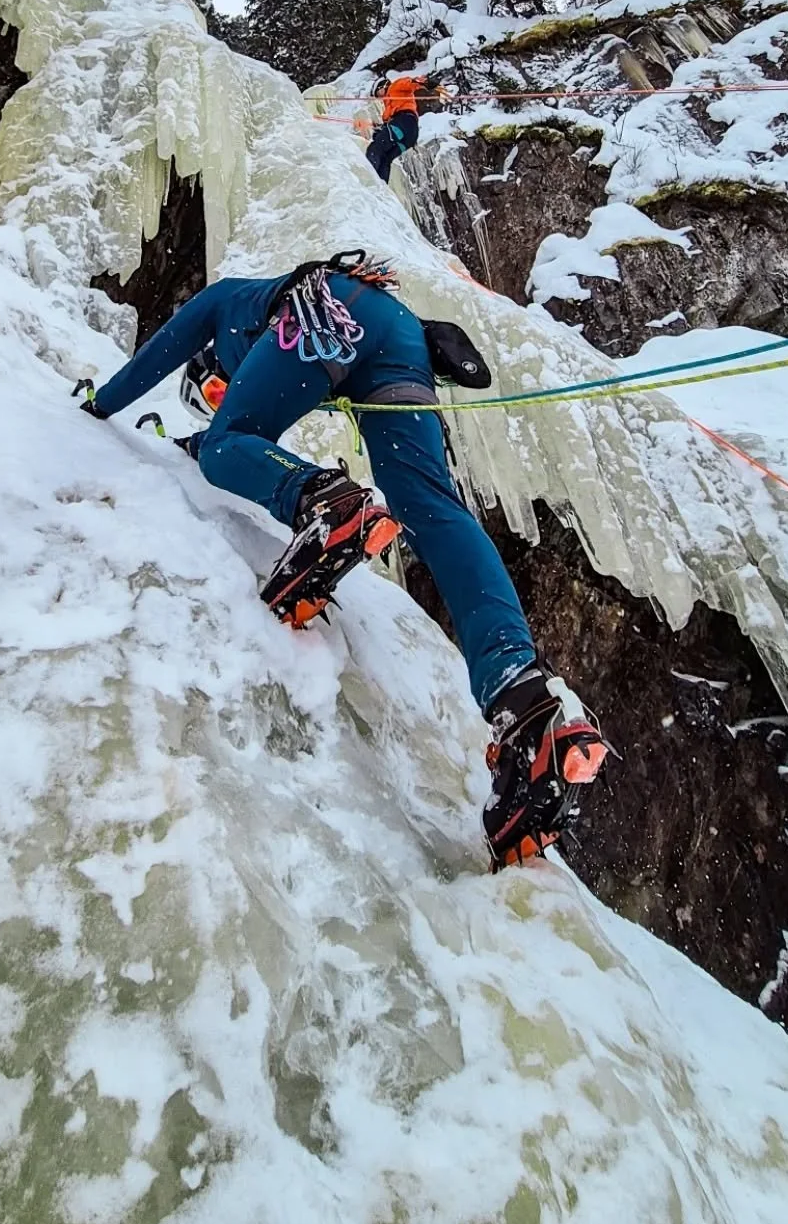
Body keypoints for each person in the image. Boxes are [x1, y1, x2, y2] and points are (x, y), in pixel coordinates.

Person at [78, 253, 607, 867]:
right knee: (431, 505)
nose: (225, 395)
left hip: (326, 309)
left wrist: (97, 407)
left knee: (228, 444)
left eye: (217, 390)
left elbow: (161, 356)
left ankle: (325, 502)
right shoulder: (281, 318)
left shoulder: (225, 304)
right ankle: (522, 695)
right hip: (399, 334)